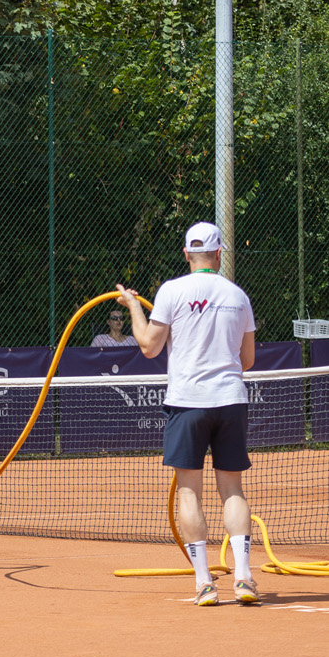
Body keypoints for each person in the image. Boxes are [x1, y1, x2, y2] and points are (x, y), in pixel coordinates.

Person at [116, 221, 258, 606]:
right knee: (232, 490)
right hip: (230, 400)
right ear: (219, 253)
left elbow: (148, 346)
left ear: (186, 254)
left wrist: (133, 306)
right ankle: (244, 578)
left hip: (187, 402)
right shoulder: (238, 296)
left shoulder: (171, 291)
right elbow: (247, 359)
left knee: (189, 491)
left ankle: (204, 583)